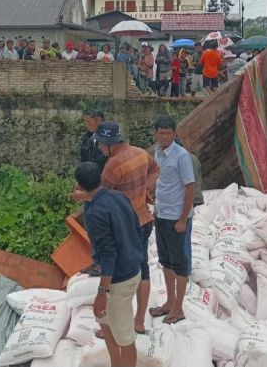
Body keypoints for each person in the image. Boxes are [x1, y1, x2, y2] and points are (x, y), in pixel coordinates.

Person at [74, 122, 159, 336]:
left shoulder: (114, 164)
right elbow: (155, 170)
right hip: (144, 219)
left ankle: (112, 324)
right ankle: (139, 321)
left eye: (102, 145)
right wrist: (145, 190)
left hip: (124, 225)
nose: (101, 149)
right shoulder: (140, 152)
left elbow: (98, 193)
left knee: (118, 274)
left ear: (111, 144)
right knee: (143, 269)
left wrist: (80, 196)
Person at [75, 162, 142, 367]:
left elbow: (108, 256)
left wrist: (102, 293)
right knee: (106, 325)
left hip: (118, 280)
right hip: (131, 268)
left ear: (78, 184)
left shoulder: (96, 214)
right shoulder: (118, 197)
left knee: (124, 338)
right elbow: (136, 227)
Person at [149, 115, 196, 325]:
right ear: (156, 134)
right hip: (162, 215)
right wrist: (156, 211)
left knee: (180, 264)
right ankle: (169, 302)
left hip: (177, 217)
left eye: (168, 133)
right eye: (161, 133)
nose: (164, 136)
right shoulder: (157, 154)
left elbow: (190, 188)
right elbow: (160, 185)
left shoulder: (182, 156)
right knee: (165, 261)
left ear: (175, 134)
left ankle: (178, 308)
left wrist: (183, 219)